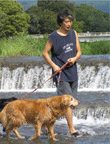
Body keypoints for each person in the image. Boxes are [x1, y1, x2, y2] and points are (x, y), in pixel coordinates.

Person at [42, 9, 82, 137]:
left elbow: (79, 52)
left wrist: (74, 59)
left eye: (70, 21)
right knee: (68, 104)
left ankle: (46, 124)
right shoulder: (53, 36)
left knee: (67, 104)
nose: (69, 24)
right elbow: (45, 53)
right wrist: (54, 66)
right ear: (60, 23)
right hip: (61, 74)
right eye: (66, 22)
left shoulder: (73, 33)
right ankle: (72, 130)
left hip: (73, 73)